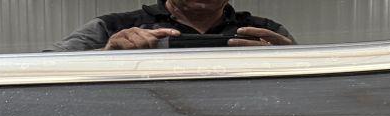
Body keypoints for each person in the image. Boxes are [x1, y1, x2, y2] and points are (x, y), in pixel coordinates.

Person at [50, 1, 294, 52]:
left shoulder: (269, 32)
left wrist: (291, 60)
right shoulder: (110, 27)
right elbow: (44, 69)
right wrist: (106, 54)